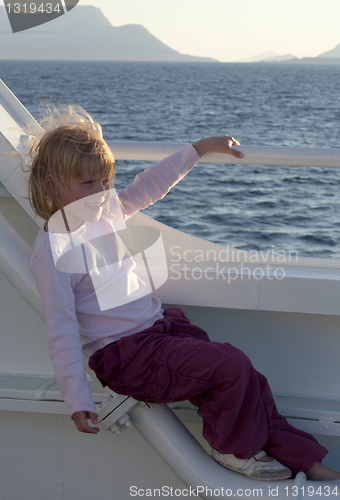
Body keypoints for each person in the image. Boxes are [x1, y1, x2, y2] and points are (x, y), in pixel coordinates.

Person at [28, 106, 340, 482]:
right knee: (229, 365)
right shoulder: (54, 250)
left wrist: (199, 148)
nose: (101, 193)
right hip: (126, 357)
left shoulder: (104, 211)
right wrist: (77, 400)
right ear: (51, 184)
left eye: (106, 181)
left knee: (250, 380)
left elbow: (148, 186)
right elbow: (60, 330)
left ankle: (308, 463)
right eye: (89, 184)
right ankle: (233, 449)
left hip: (158, 333)